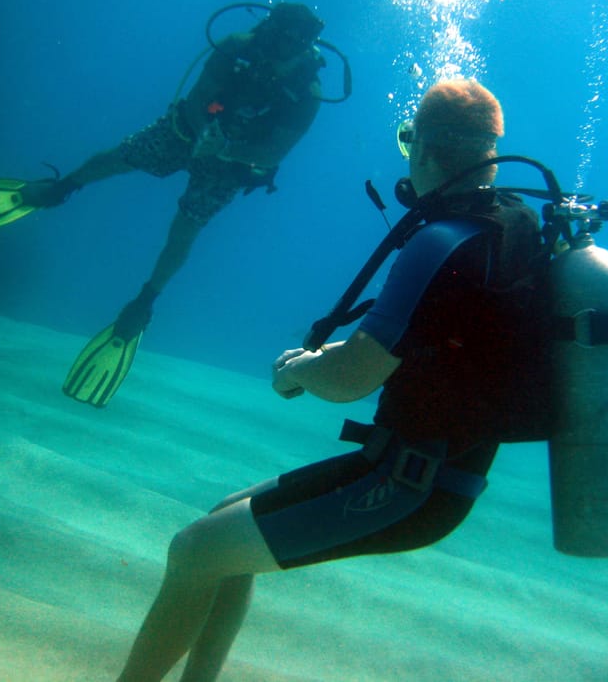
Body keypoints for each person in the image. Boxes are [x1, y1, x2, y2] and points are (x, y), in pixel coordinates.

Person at [114, 79, 548, 681]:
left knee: (194, 551)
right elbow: (418, 341)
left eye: (408, 144)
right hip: (432, 474)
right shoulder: (505, 230)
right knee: (222, 530)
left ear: (422, 150)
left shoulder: (437, 242)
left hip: (406, 486)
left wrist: (300, 370)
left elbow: (350, 379)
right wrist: (324, 359)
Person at [0, 2, 333, 405]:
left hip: (233, 165)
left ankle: (143, 303)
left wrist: (227, 149)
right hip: (186, 131)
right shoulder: (236, 47)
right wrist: (205, 131)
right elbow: (200, 97)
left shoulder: (307, 94)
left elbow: (273, 152)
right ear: (269, 29)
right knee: (118, 158)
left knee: (185, 228)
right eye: (280, 37)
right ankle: (60, 188)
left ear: (306, 47)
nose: (282, 49)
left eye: (294, 43)